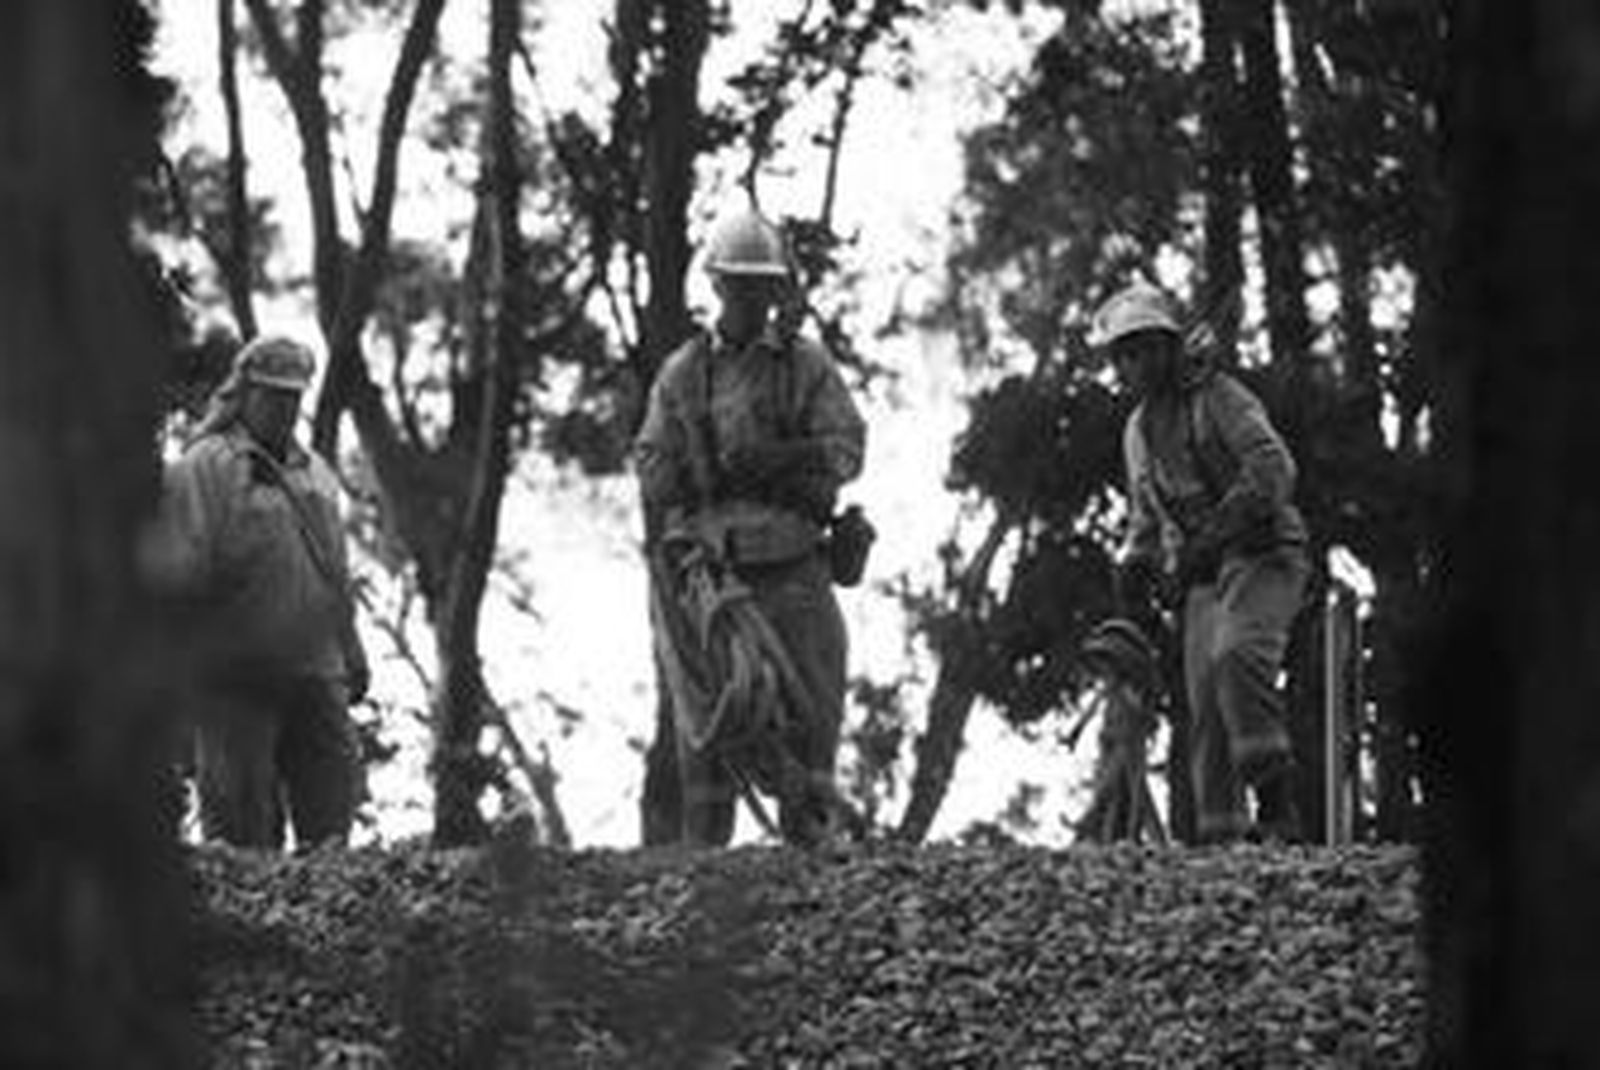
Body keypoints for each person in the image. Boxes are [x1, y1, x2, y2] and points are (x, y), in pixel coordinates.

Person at [636, 204, 867, 848]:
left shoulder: (804, 366)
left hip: (793, 572)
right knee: (708, 739)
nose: (749, 299)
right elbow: (650, 462)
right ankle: (707, 880)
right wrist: (693, 474)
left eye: (761, 287)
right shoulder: (684, 373)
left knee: (812, 722)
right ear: (716, 286)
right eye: (738, 285)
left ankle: (812, 859)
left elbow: (847, 446)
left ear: (776, 291)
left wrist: (783, 461)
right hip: (712, 585)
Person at [1088, 281, 1309, 845]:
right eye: (1124, 354)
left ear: (1169, 347)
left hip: (1264, 554)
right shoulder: (1138, 433)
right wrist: (1135, 569)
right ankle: (1221, 848)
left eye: (1145, 348)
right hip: (1203, 579)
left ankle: (1277, 807)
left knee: (1237, 655)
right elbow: (1145, 519)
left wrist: (1214, 534)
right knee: (1206, 707)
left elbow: (1273, 468)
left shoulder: (1218, 398)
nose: (1135, 364)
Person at [151, 334, 369, 850]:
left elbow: (336, 571)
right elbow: (181, 573)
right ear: (245, 393)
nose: (285, 407)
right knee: (240, 820)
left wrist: (352, 648)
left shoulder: (316, 473)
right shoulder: (205, 466)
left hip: (316, 665)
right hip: (237, 672)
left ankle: (325, 893)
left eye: (293, 396)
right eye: (273, 394)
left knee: (331, 801)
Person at [1072, 617, 1167, 845]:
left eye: (1107, 662)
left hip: (1129, 743)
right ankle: (1106, 835)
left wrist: (1141, 714)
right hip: (1110, 740)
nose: (1103, 669)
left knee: (1132, 792)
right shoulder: (1109, 689)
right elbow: (1091, 710)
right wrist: (1075, 732)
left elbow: (1140, 711)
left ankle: (1095, 824)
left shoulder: (1127, 689)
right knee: (1120, 792)